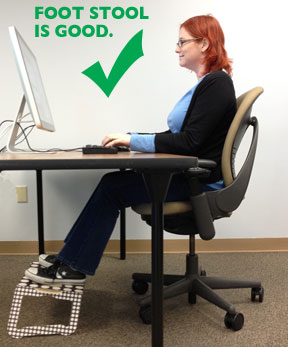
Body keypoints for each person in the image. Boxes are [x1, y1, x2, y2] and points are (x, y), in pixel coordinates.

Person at [25, 14, 236, 284]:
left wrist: (132, 140)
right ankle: (70, 256)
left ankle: (74, 266)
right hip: (190, 173)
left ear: (204, 44)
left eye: (182, 41)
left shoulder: (217, 83)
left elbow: (189, 142)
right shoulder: (209, 83)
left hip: (199, 181)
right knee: (113, 183)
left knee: (113, 187)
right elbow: (178, 136)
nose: (177, 48)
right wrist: (130, 138)